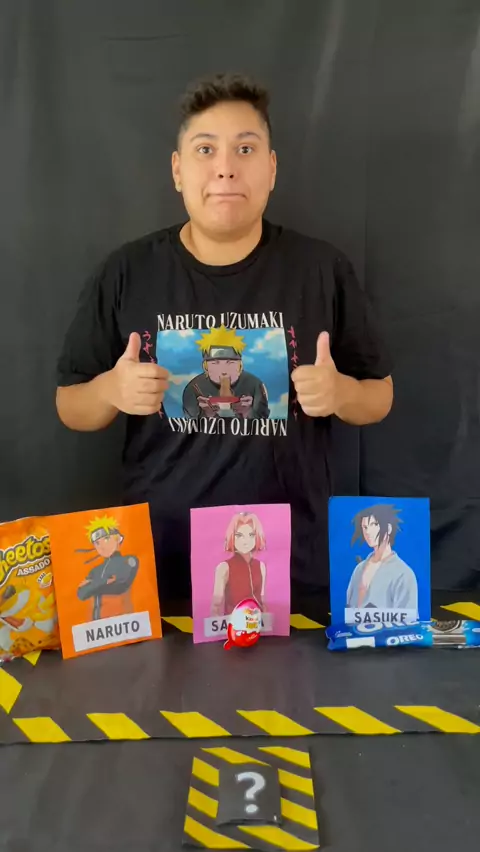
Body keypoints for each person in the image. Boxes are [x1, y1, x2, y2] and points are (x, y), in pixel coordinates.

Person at [56, 72, 393, 600]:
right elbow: (70, 405)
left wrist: (342, 393)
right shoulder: (126, 273)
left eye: (245, 148)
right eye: (205, 149)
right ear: (177, 170)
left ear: (272, 168)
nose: (225, 167)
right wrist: (109, 391)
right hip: (158, 566)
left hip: (289, 568)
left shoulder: (321, 270)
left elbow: (380, 395)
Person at [346, 504, 418, 613]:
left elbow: (408, 618)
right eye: (365, 527)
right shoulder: (359, 569)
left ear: (388, 528)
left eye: (374, 524)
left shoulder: (403, 574)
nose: (368, 531)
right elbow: (349, 608)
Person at [76, 516, 139, 620]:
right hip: (98, 624)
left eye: (106, 538)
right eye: (97, 543)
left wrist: (93, 584)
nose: (101, 546)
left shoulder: (129, 560)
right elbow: (81, 594)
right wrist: (105, 581)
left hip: (124, 622)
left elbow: (120, 586)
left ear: (118, 538)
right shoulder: (95, 571)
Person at [211, 512, 267, 616]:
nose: (246, 541)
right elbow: (216, 605)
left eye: (251, 535)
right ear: (232, 537)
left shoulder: (261, 566)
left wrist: (266, 622)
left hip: (256, 622)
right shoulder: (224, 568)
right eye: (239, 535)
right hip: (233, 622)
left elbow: (263, 601)